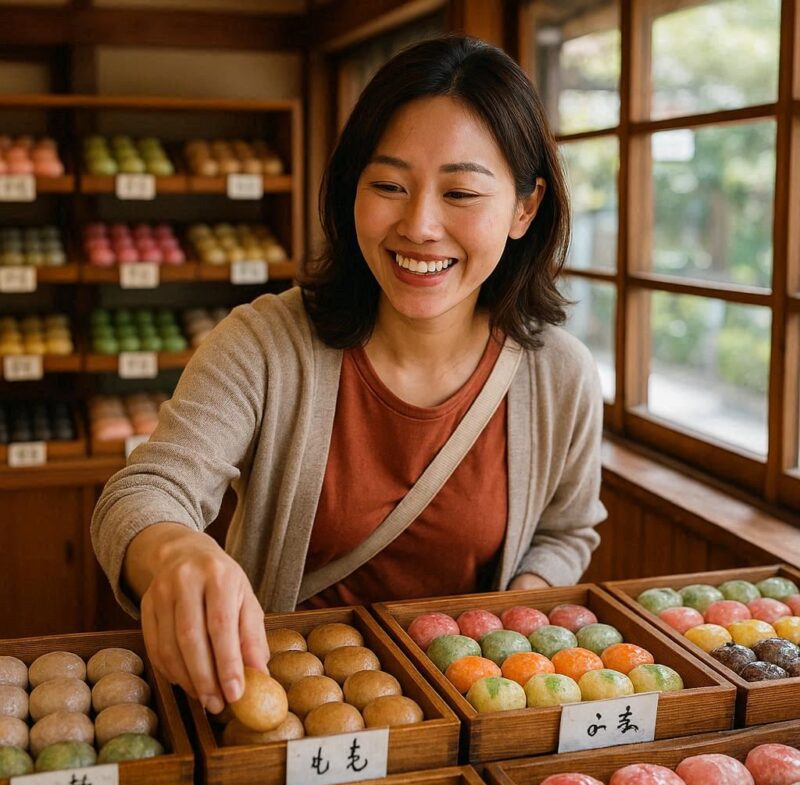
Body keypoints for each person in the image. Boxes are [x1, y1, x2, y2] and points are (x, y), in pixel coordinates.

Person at [91, 35, 606, 718]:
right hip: (281, 707)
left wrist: (509, 616)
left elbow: (567, 531)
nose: (419, 225)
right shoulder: (265, 344)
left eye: (459, 192)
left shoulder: (558, 374)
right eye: (388, 185)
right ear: (350, 190)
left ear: (524, 207)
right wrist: (173, 551)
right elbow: (147, 488)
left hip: (470, 712)